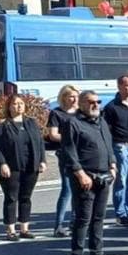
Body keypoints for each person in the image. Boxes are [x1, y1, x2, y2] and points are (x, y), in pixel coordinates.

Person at [61, 90, 118, 255]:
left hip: (104, 176)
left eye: (98, 101)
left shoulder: (101, 121)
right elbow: (69, 151)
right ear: (81, 104)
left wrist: (113, 164)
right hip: (85, 177)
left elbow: (108, 144)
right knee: (83, 219)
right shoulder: (73, 123)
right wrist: (80, 174)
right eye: (91, 102)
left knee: (99, 218)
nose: (95, 105)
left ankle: (97, 254)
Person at [0, 95, 47, 241]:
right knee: (11, 197)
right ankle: (10, 230)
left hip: (30, 165)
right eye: (15, 104)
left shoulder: (31, 122)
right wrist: (3, 163)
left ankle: (24, 228)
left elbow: (40, 142)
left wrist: (42, 160)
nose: (18, 106)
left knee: (26, 197)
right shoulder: (3, 124)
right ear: (9, 107)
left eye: (21, 103)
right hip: (11, 166)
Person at [102, 74, 128, 226]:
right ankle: (121, 214)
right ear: (119, 86)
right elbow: (106, 131)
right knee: (122, 182)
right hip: (121, 147)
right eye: (127, 85)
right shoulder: (111, 107)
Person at [47, 85, 80, 237]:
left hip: (82, 154)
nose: (74, 99)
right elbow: (53, 135)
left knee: (80, 190)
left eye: (76, 96)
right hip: (66, 154)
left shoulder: (81, 113)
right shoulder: (56, 114)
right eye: (71, 96)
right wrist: (70, 137)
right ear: (64, 97)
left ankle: (76, 222)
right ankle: (58, 225)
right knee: (67, 189)